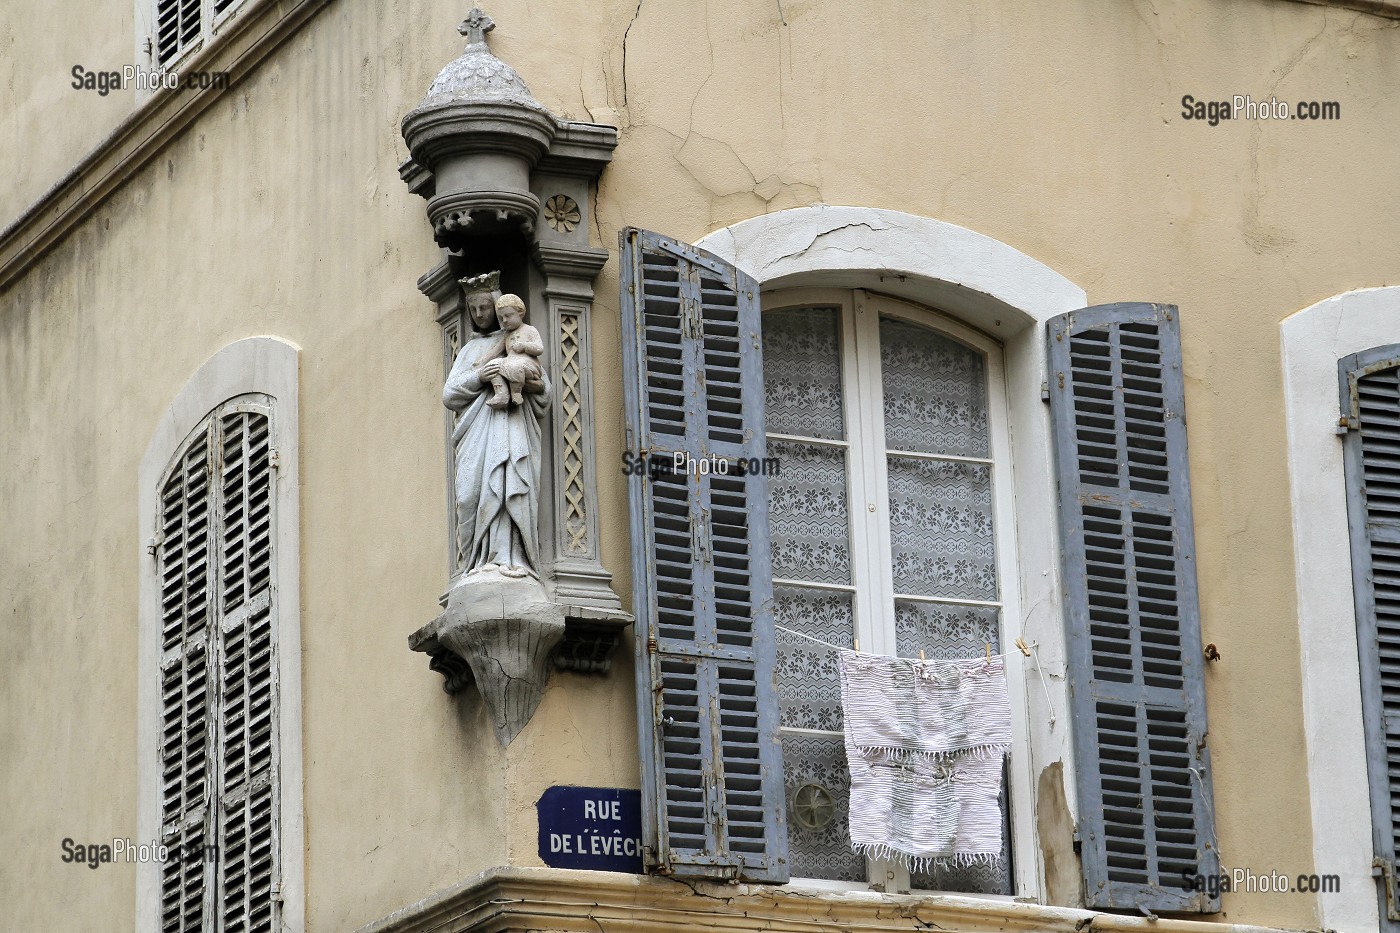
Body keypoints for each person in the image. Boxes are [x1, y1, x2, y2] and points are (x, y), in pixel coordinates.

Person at [442, 273, 550, 579]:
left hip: (512, 427)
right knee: (469, 496)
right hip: (476, 433)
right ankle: (475, 563)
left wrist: (524, 381)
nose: (479, 314)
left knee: (507, 486)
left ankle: (510, 558)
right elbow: (449, 394)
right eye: (473, 309)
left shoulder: (519, 338)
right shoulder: (468, 351)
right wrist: (481, 376)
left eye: (485, 308)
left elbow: (544, 391)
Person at [485, 294, 544, 409]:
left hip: (529, 366)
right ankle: (501, 394)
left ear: (520, 313)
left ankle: (516, 392)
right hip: (510, 362)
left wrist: (524, 346)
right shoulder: (506, 335)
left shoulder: (529, 330)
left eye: (508, 316)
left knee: (514, 366)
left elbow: (539, 348)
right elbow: (495, 352)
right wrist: (482, 363)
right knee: (492, 366)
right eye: (501, 318)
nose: (504, 321)